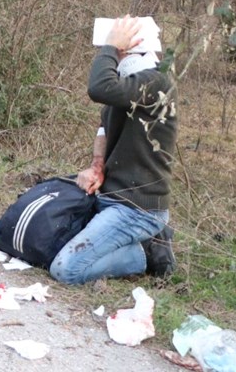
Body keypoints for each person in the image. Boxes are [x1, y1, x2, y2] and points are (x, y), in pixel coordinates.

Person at [48, 15, 178, 284]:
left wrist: (110, 49)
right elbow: (104, 124)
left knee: (66, 269)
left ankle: (147, 250)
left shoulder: (157, 83)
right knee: (48, 238)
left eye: (114, 50)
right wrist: (97, 163)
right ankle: (129, 244)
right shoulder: (129, 86)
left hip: (137, 208)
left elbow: (98, 88)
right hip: (109, 197)